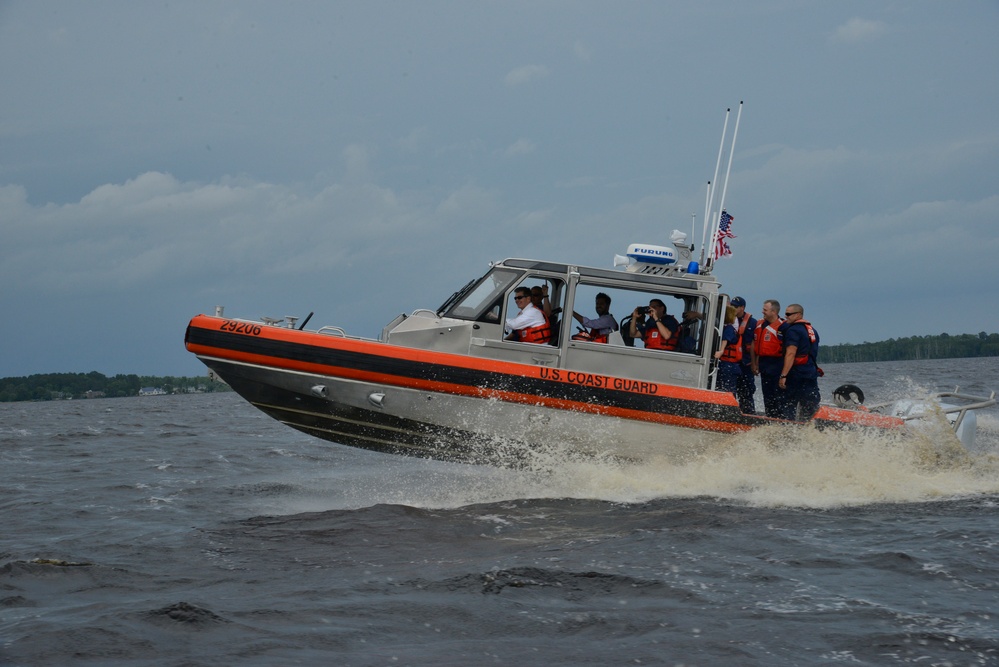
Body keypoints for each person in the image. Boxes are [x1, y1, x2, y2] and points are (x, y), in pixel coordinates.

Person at [778, 304, 821, 420]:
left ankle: (789, 428)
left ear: (798, 315)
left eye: (788, 314)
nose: (785, 316)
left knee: (789, 404)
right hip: (810, 373)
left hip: (797, 374)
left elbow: (791, 353)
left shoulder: (793, 331)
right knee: (810, 405)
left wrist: (783, 375)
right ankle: (809, 428)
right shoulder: (812, 330)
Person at [751, 299, 786, 418]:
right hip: (763, 363)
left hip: (777, 364)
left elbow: (789, 350)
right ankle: (769, 416)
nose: (762, 312)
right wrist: (755, 364)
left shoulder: (783, 327)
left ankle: (780, 418)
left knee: (778, 395)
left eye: (765, 310)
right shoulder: (759, 324)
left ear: (774, 311)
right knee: (767, 394)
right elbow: (754, 344)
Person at [730, 297, 757, 413]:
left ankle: (748, 413)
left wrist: (755, 364)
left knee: (747, 392)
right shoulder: (727, 319)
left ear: (742, 308)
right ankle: (732, 412)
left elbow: (756, 345)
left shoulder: (753, 323)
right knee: (731, 390)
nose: (732, 308)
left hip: (746, 363)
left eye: (735, 307)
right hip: (732, 362)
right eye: (731, 306)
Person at [713, 305, 741, 396]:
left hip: (729, 365)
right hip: (727, 364)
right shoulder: (727, 328)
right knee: (723, 388)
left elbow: (725, 340)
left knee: (728, 389)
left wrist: (721, 351)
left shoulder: (729, 329)